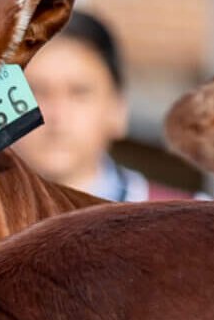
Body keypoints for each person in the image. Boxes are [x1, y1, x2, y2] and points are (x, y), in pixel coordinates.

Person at [16, 12, 191, 203]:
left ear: (118, 109)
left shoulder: (189, 223)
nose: (57, 116)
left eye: (79, 92)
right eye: (36, 92)